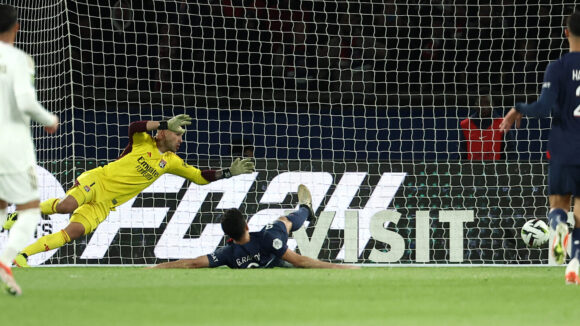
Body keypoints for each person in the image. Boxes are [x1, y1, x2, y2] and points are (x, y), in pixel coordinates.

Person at [4, 114, 255, 269]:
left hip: (106, 204)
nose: (181, 140)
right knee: (66, 206)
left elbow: (200, 177)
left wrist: (228, 172)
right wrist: (166, 121)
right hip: (98, 181)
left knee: (74, 232)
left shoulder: (171, 162)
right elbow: (135, 126)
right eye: (178, 135)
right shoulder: (143, 141)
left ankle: (22, 255)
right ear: (163, 133)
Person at [500, 11, 580, 284]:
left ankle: (557, 243)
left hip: (562, 147)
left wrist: (518, 109)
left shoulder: (557, 68)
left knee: (558, 204)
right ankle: (576, 264)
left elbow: (543, 107)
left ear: (566, 32)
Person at [151, 185, 357, 269]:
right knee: (284, 222)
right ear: (247, 225)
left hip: (269, 258)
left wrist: (155, 268)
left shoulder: (227, 253)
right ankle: (304, 208)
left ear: (227, 235)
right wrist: (340, 267)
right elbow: (300, 260)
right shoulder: (269, 237)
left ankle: (305, 208)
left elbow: (193, 263)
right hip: (275, 254)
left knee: (282, 224)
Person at [0, 4, 59, 296]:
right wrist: (49, 120)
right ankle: (5, 260)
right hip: (11, 146)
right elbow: (24, 102)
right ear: (17, 27)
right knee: (30, 209)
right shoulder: (18, 58)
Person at [460, 94, 515, 161]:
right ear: (475, 105)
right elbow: (462, 153)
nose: (483, 106)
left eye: (487, 103)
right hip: (471, 169)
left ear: (492, 104)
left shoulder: (504, 124)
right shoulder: (465, 124)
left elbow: (510, 152)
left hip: (497, 169)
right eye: (481, 103)